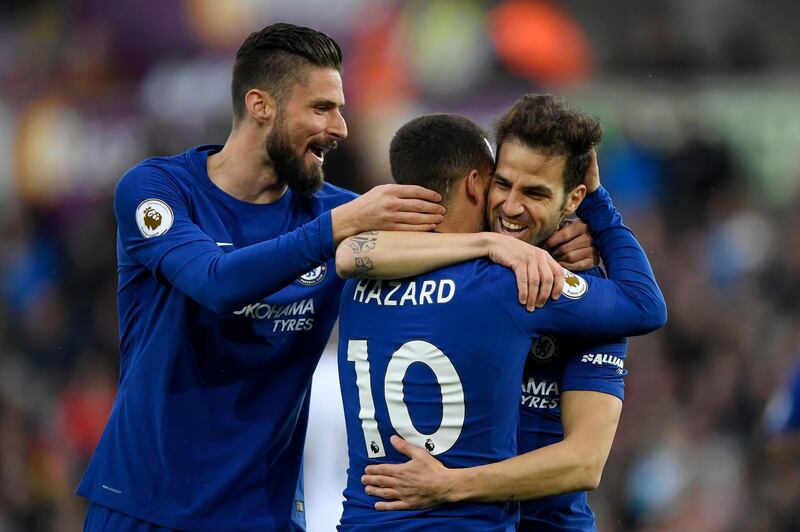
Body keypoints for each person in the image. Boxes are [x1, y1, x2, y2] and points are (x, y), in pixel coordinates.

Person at [76, 23, 451, 531]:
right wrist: (339, 227)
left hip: (264, 514)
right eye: (321, 108)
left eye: (340, 109)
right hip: (145, 506)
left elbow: (457, 253)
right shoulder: (158, 190)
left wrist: (516, 243)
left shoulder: (338, 215)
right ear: (261, 105)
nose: (340, 128)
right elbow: (216, 283)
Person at [335, 111, 666, 530]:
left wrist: (451, 484)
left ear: (573, 199)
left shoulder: (576, 293)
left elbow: (584, 462)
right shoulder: (501, 281)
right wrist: (489, 245)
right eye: (503, 184)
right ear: (481, 182)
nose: (511, 206)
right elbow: (644, 303)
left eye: (535, 193)